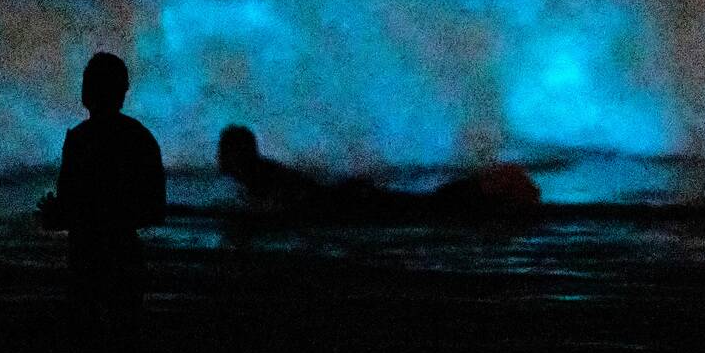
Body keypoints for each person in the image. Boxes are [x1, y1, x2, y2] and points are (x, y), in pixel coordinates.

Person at [37, 52, 165, 353]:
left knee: (85, 352)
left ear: (87, 93)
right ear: (123, 92)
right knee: (127, 347)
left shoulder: (80, 140)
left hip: (87, 259)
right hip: (124, 256)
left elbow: (69, 207)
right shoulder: (140, 138)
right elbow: (154, 209)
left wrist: (61, 215)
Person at [217, 124, 540, 218]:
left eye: (224, 149)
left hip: (349, 201)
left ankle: (496, 184)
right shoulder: (259, 173)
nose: (218, 156)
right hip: (347, 197)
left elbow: (292, 202)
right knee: (425, 206)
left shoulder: (259, 174)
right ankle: (493, 185)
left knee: (427, 208)